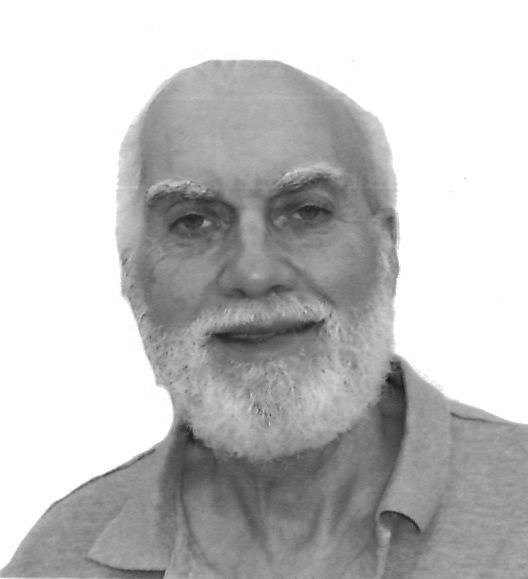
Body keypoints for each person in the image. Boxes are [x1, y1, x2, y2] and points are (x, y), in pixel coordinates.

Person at [2, 60, 527, 579]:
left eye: (307, 212)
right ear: (131, 274)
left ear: (386, 248)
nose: (254, 273)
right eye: (193, 221)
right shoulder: (56, 560)